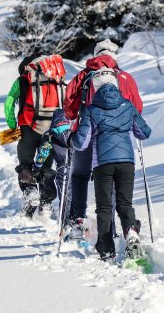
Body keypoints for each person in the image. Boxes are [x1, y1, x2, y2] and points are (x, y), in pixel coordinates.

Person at [63, 39, 143, 239]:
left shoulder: (83, 76)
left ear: (95, 55)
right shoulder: (124, 77)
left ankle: (78, 221)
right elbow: (137, 108)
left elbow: (70, 109)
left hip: (87, 135)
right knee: (115, 183)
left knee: (80, 175)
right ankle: (116, 229)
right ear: (114, 56)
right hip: (117, 140)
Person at [72, 82, 151, 261]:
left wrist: (72, 139)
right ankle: (131, 231)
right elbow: (144, 133)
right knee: (124, 203)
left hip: (102, 164)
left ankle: (106, 249)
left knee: (105, 207)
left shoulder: (91, 110)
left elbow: (81, 142)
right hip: (126, 162)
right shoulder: (128, 106)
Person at [4, 55, 66, 217]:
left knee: (25, 164)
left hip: (27, 129)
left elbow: (9, 102)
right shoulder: (54, 79)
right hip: (49, 129)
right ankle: (46, 202)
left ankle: (30, 192)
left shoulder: (22, 80)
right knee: (45, 166)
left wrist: (12, 125)